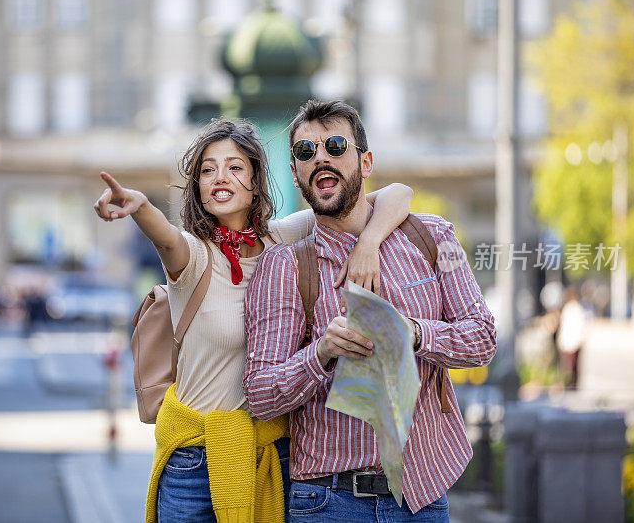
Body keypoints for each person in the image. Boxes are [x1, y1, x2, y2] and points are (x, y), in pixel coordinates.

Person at [93, 118, 414, 522]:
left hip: (267, 456)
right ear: (198, 189)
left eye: (234, 167)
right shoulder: (192, 256)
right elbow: (166, 237)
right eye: (207, 170)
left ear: (256, 182)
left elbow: (397, 195)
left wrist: (369, 243)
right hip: (194, 462)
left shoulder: (283, 239)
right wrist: (141, 207)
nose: (219, 177)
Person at [244, 100, 497, 521]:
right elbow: (261, 395)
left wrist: (415, 332)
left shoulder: (434, 237)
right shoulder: (284, 267)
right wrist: (321, 352)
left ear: (366, 161)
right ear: (295, 173)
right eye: (306, 152)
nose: (321, 156)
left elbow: (483, 338)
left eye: (335, 145)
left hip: (422, 498)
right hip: (329, 502)